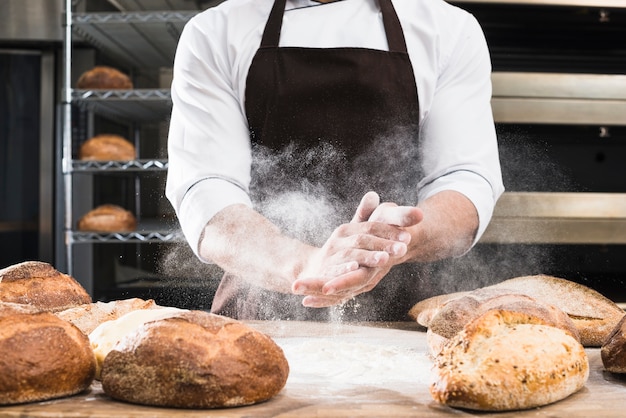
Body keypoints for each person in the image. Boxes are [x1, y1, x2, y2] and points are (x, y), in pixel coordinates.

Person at [165, 0, 505, 321]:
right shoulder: (215, 32)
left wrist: (393, 240)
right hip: (257, 313)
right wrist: (305, 264)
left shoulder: (448, 29)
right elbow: (207, 189)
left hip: (401, 316)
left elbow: (465, 179)